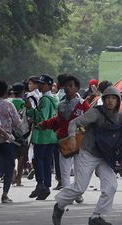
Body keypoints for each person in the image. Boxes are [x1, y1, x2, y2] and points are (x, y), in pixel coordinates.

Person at [52, 86, 122, 225]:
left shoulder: (121, 117)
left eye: (113, 98)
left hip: (106, 156)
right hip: (88, 153)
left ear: (118, 101)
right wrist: (72, 137)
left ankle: (97, 216)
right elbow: (74, 123)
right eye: (107, 98)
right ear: (103, 100)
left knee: (111, 186)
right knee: (80, 187)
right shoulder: (96, 113)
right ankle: (59, 205)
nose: (110, 101)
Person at [38, 75, 90, 203]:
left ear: (77, 88)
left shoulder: (83, 104)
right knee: (65, 170)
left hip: (80, 141)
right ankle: (68, 194)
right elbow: (57, 121)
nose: (68, 88)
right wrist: (45, 124)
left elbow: (90, 120)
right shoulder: (61, 104)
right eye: (65, 86)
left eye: (71, 86)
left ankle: (77, 193)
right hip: (64, 141)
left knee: (79, 170)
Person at [26, 74, 59, 200]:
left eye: (42, 84)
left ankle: (41, 183)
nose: (40, 86)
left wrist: (30, 110)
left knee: (37, 159)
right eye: (39, 83)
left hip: (42, 135)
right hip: (52, 135)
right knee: (46, 160)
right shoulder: (54, 98)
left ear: (49, 86)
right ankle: (46, 185)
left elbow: (42, 117)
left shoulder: (44, 99)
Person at [0, 80, 22, 203]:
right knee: (10, 166)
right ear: (5, 92)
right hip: (6, 140)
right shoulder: (8, 105)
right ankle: (4, 194)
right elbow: (17, 123)